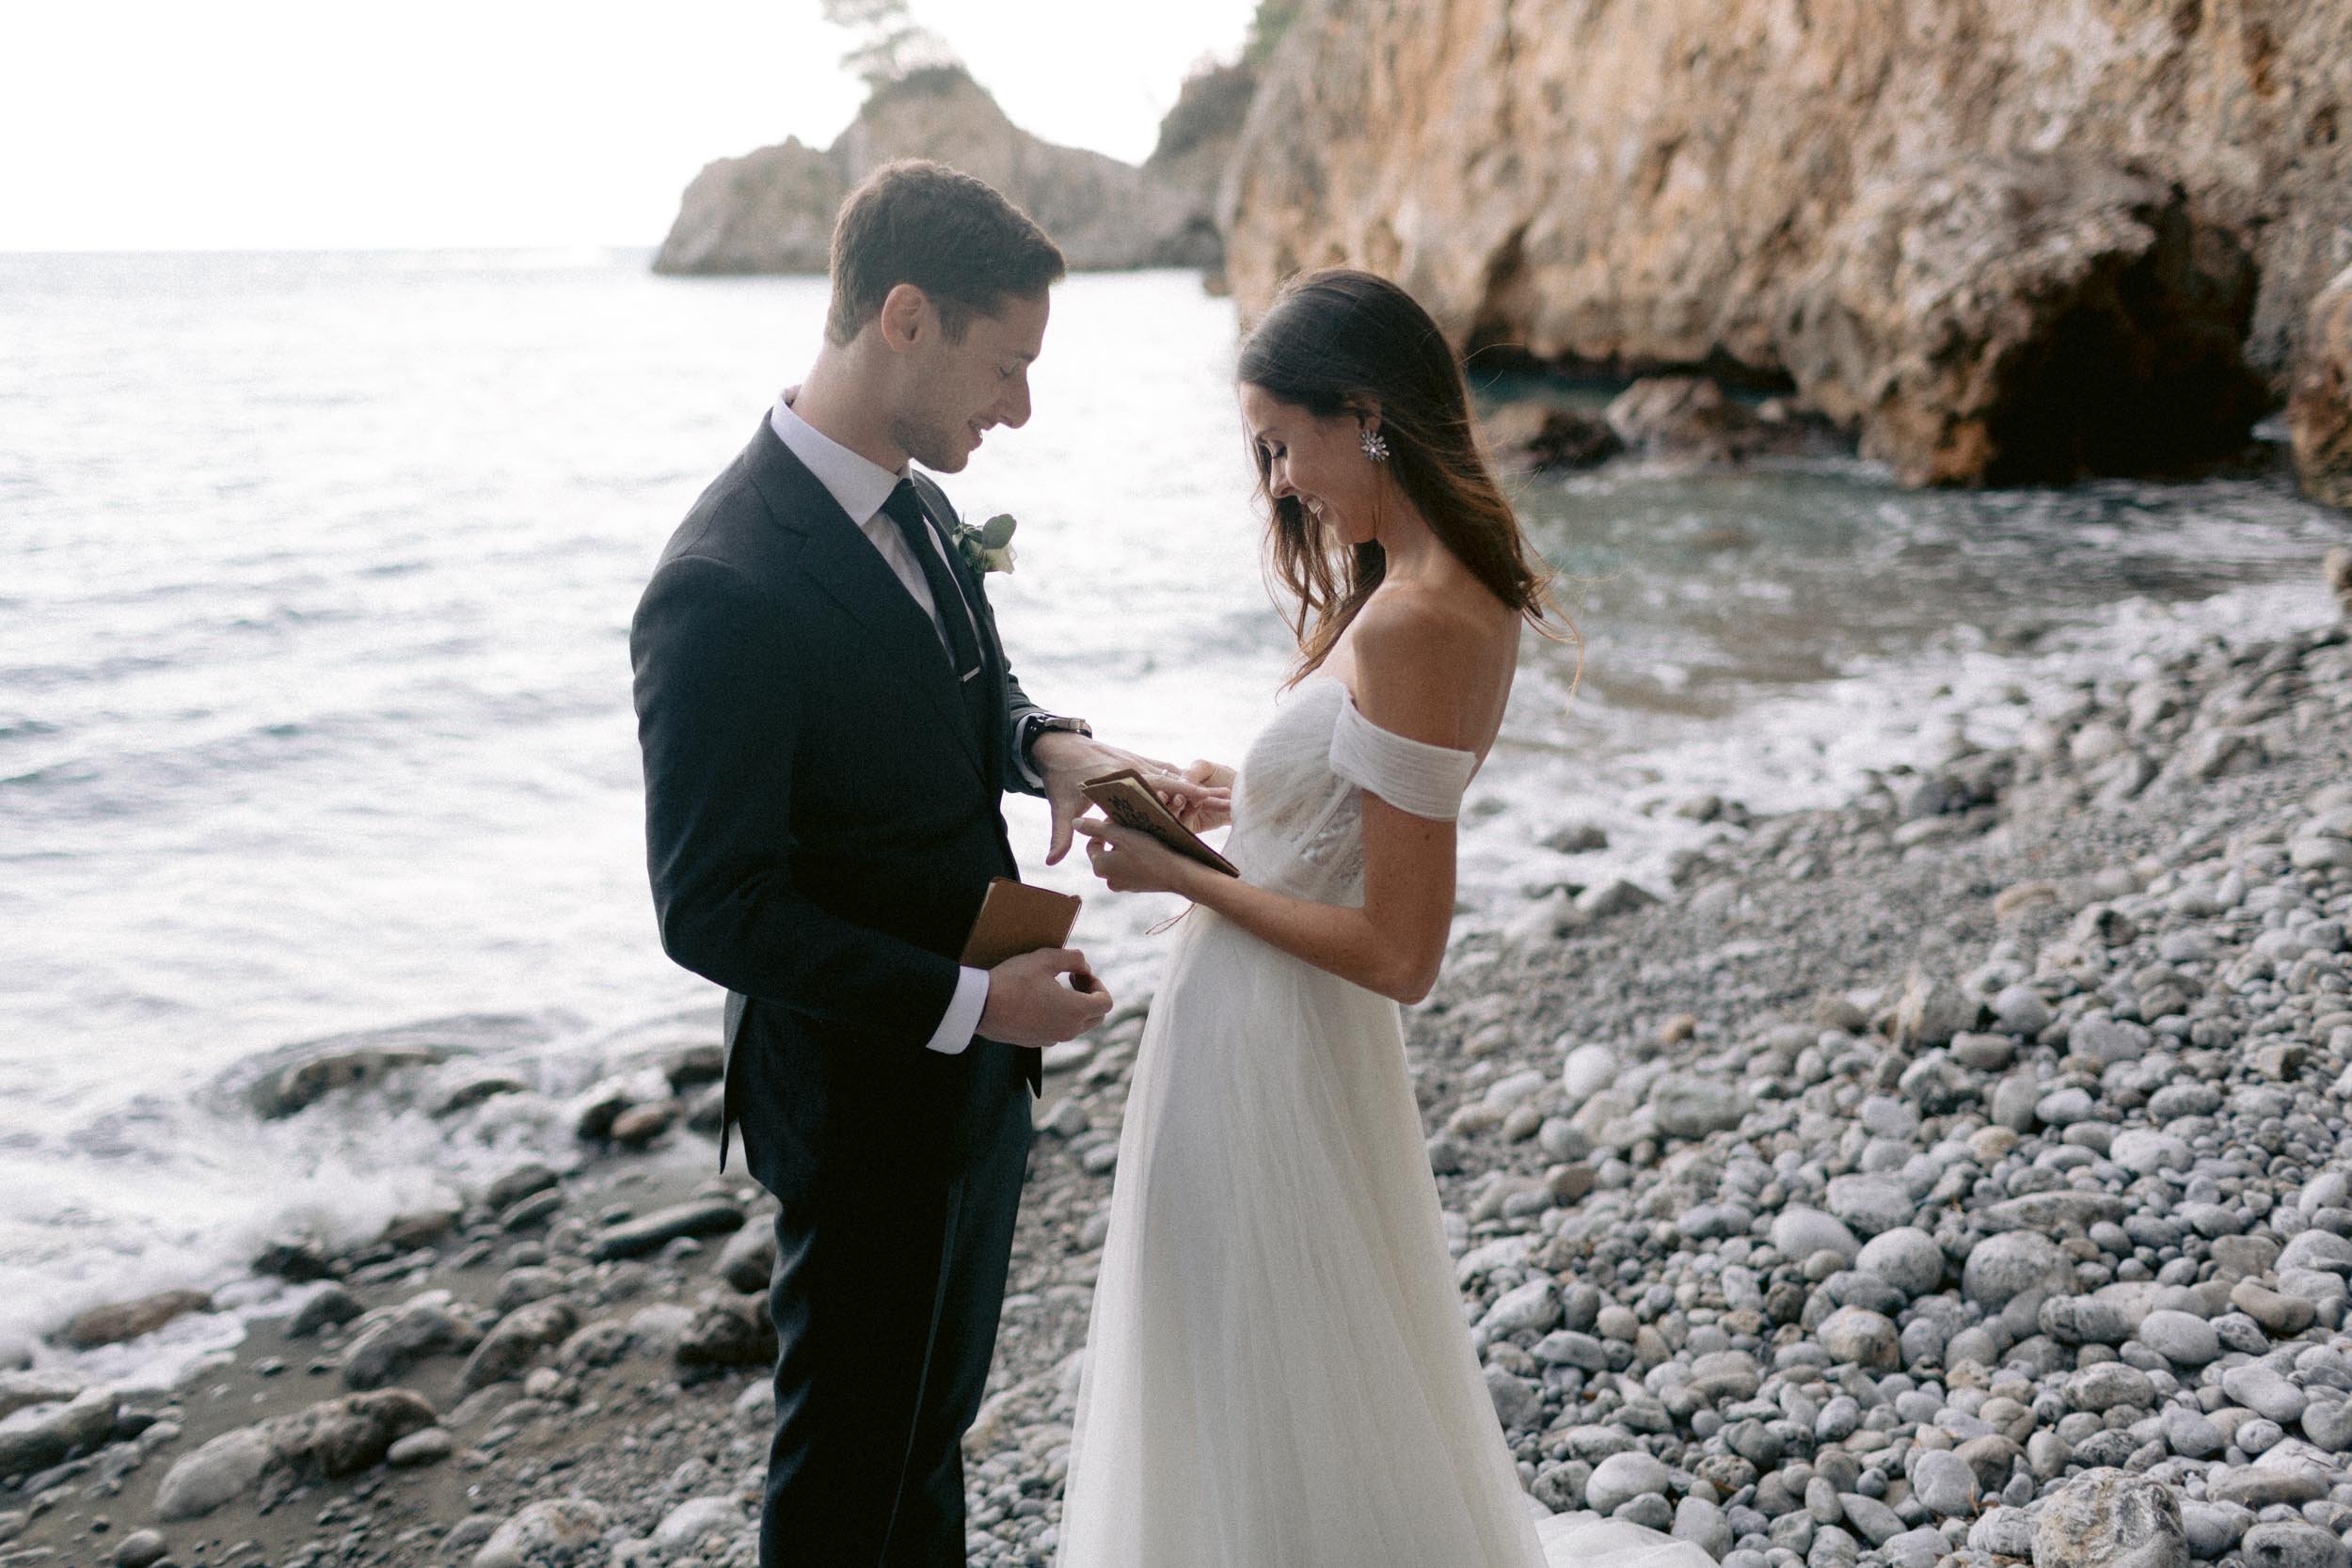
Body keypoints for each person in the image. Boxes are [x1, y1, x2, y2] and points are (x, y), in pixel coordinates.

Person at [1060, 269, 1709, 1567]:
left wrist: (1179, 874)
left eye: (1284, 445)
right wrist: (1233, 802)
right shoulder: (1430, 582)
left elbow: (1402, 953)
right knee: (1270, 1375)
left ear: (1365, 418)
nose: (1280, 485)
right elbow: (1348, 835)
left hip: (1270, 1045)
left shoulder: (1415, 619)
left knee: (1255, 1378)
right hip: (1270, 1032)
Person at [630, 158, 1203, 1568]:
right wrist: (974, 1008)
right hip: (862, 1084)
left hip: (975, 1079)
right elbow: (712, 905)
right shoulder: (722, 585)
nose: (1017, 407)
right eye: (1003, 366)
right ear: (903, 318)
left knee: (931, 1436)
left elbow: (969, 689)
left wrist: (1053, 748)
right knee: (845, 1476)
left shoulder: (920, 504)